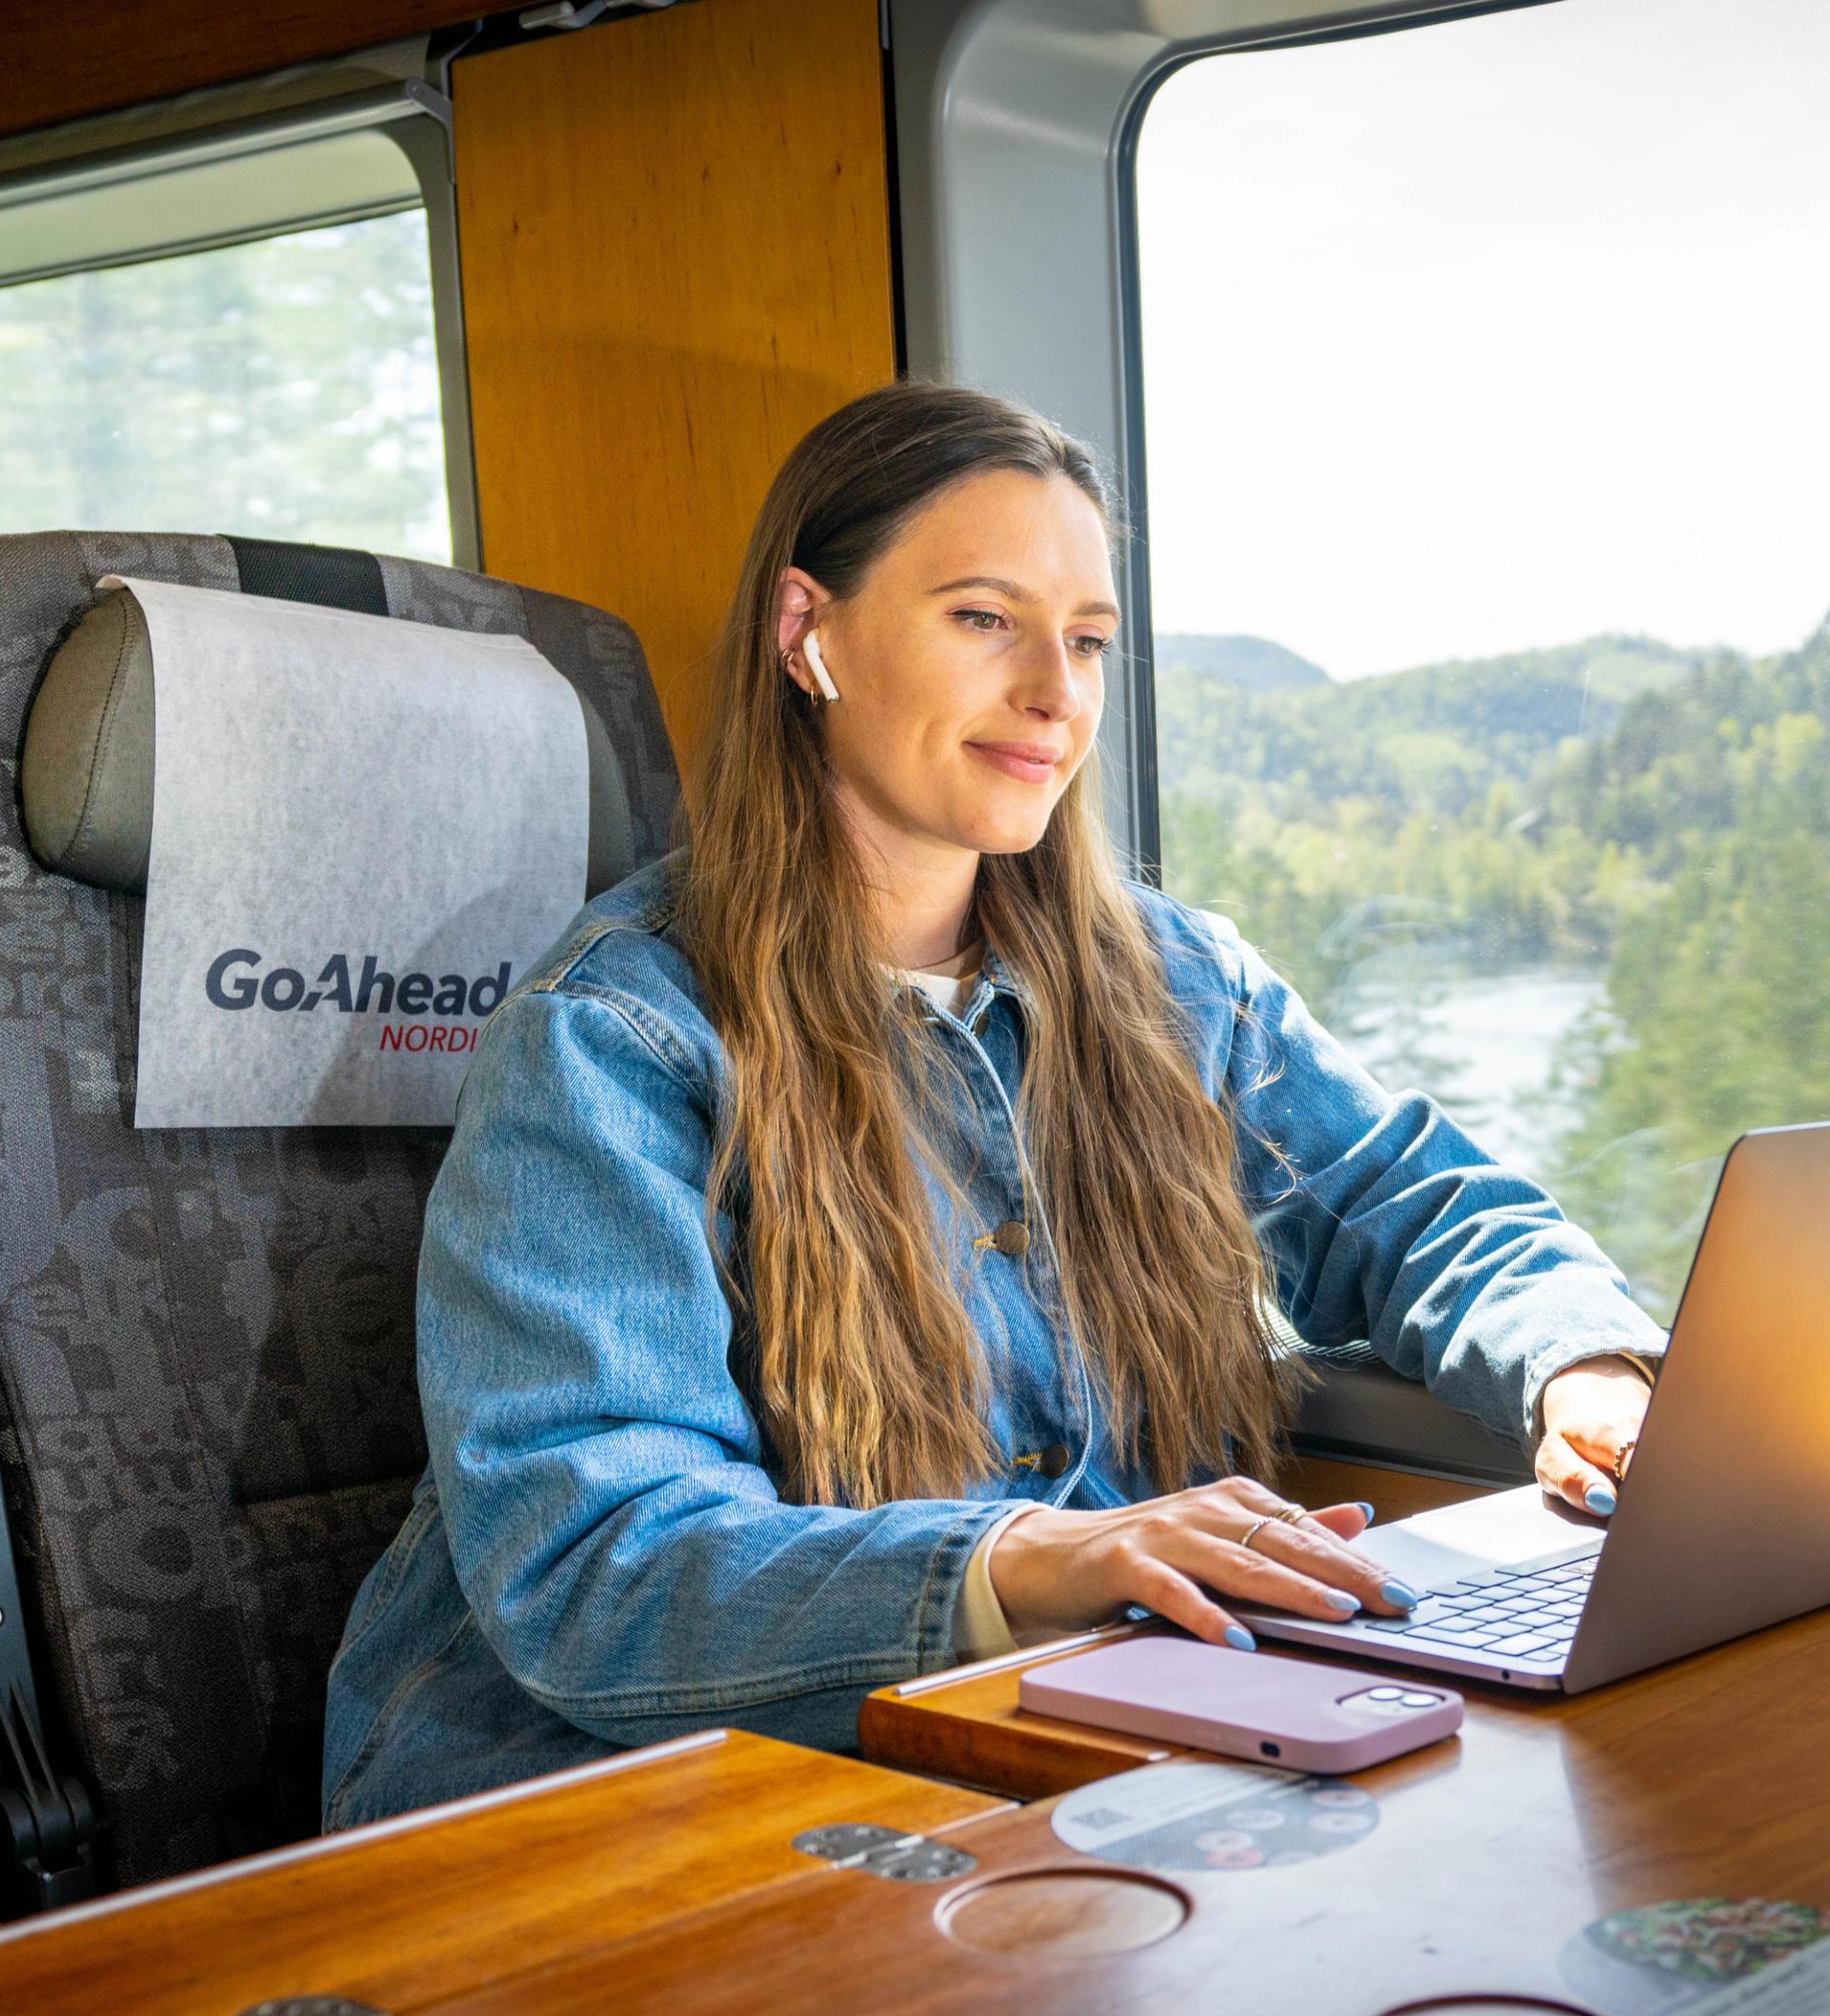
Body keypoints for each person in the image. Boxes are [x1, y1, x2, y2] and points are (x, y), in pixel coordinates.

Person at [321, 382, 1665, 1826]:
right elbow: (598, 1568)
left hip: (1045, 1750)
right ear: (807, 633)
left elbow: (1411, 1206)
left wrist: (1584, 1368)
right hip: (610, 1802)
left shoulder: (1174, 980)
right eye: (984, 619)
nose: (1057, 694)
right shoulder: (612, 1038)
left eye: (1085, 641)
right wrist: (1026, 1561)